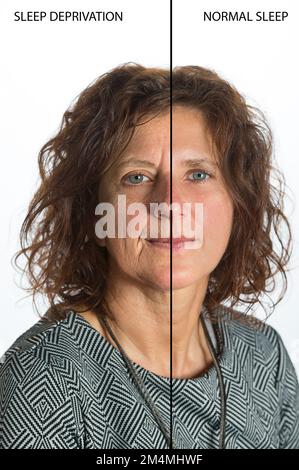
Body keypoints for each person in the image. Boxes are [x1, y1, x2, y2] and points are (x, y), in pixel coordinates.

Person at [0, 62, 298, 449]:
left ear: (236, 205)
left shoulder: (263, 357)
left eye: (198, 174)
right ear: (96, 217)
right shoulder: (45, 377)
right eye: (137, 177)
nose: (170, 205)